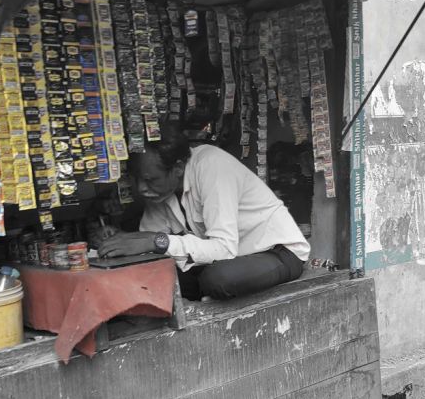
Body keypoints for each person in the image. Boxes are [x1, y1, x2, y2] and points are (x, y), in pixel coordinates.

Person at [98, 124, 310, 301]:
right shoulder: (161, 192)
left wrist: (157, 241)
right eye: (138, 180)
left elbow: (222, 248)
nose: (142, 188)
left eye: (150, 179)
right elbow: (150, 243)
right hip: (232, 258)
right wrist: (122, 242)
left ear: (178, 168)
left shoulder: (211, 165)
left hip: (277, 253)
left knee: (216, 280)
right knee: (150, 276)